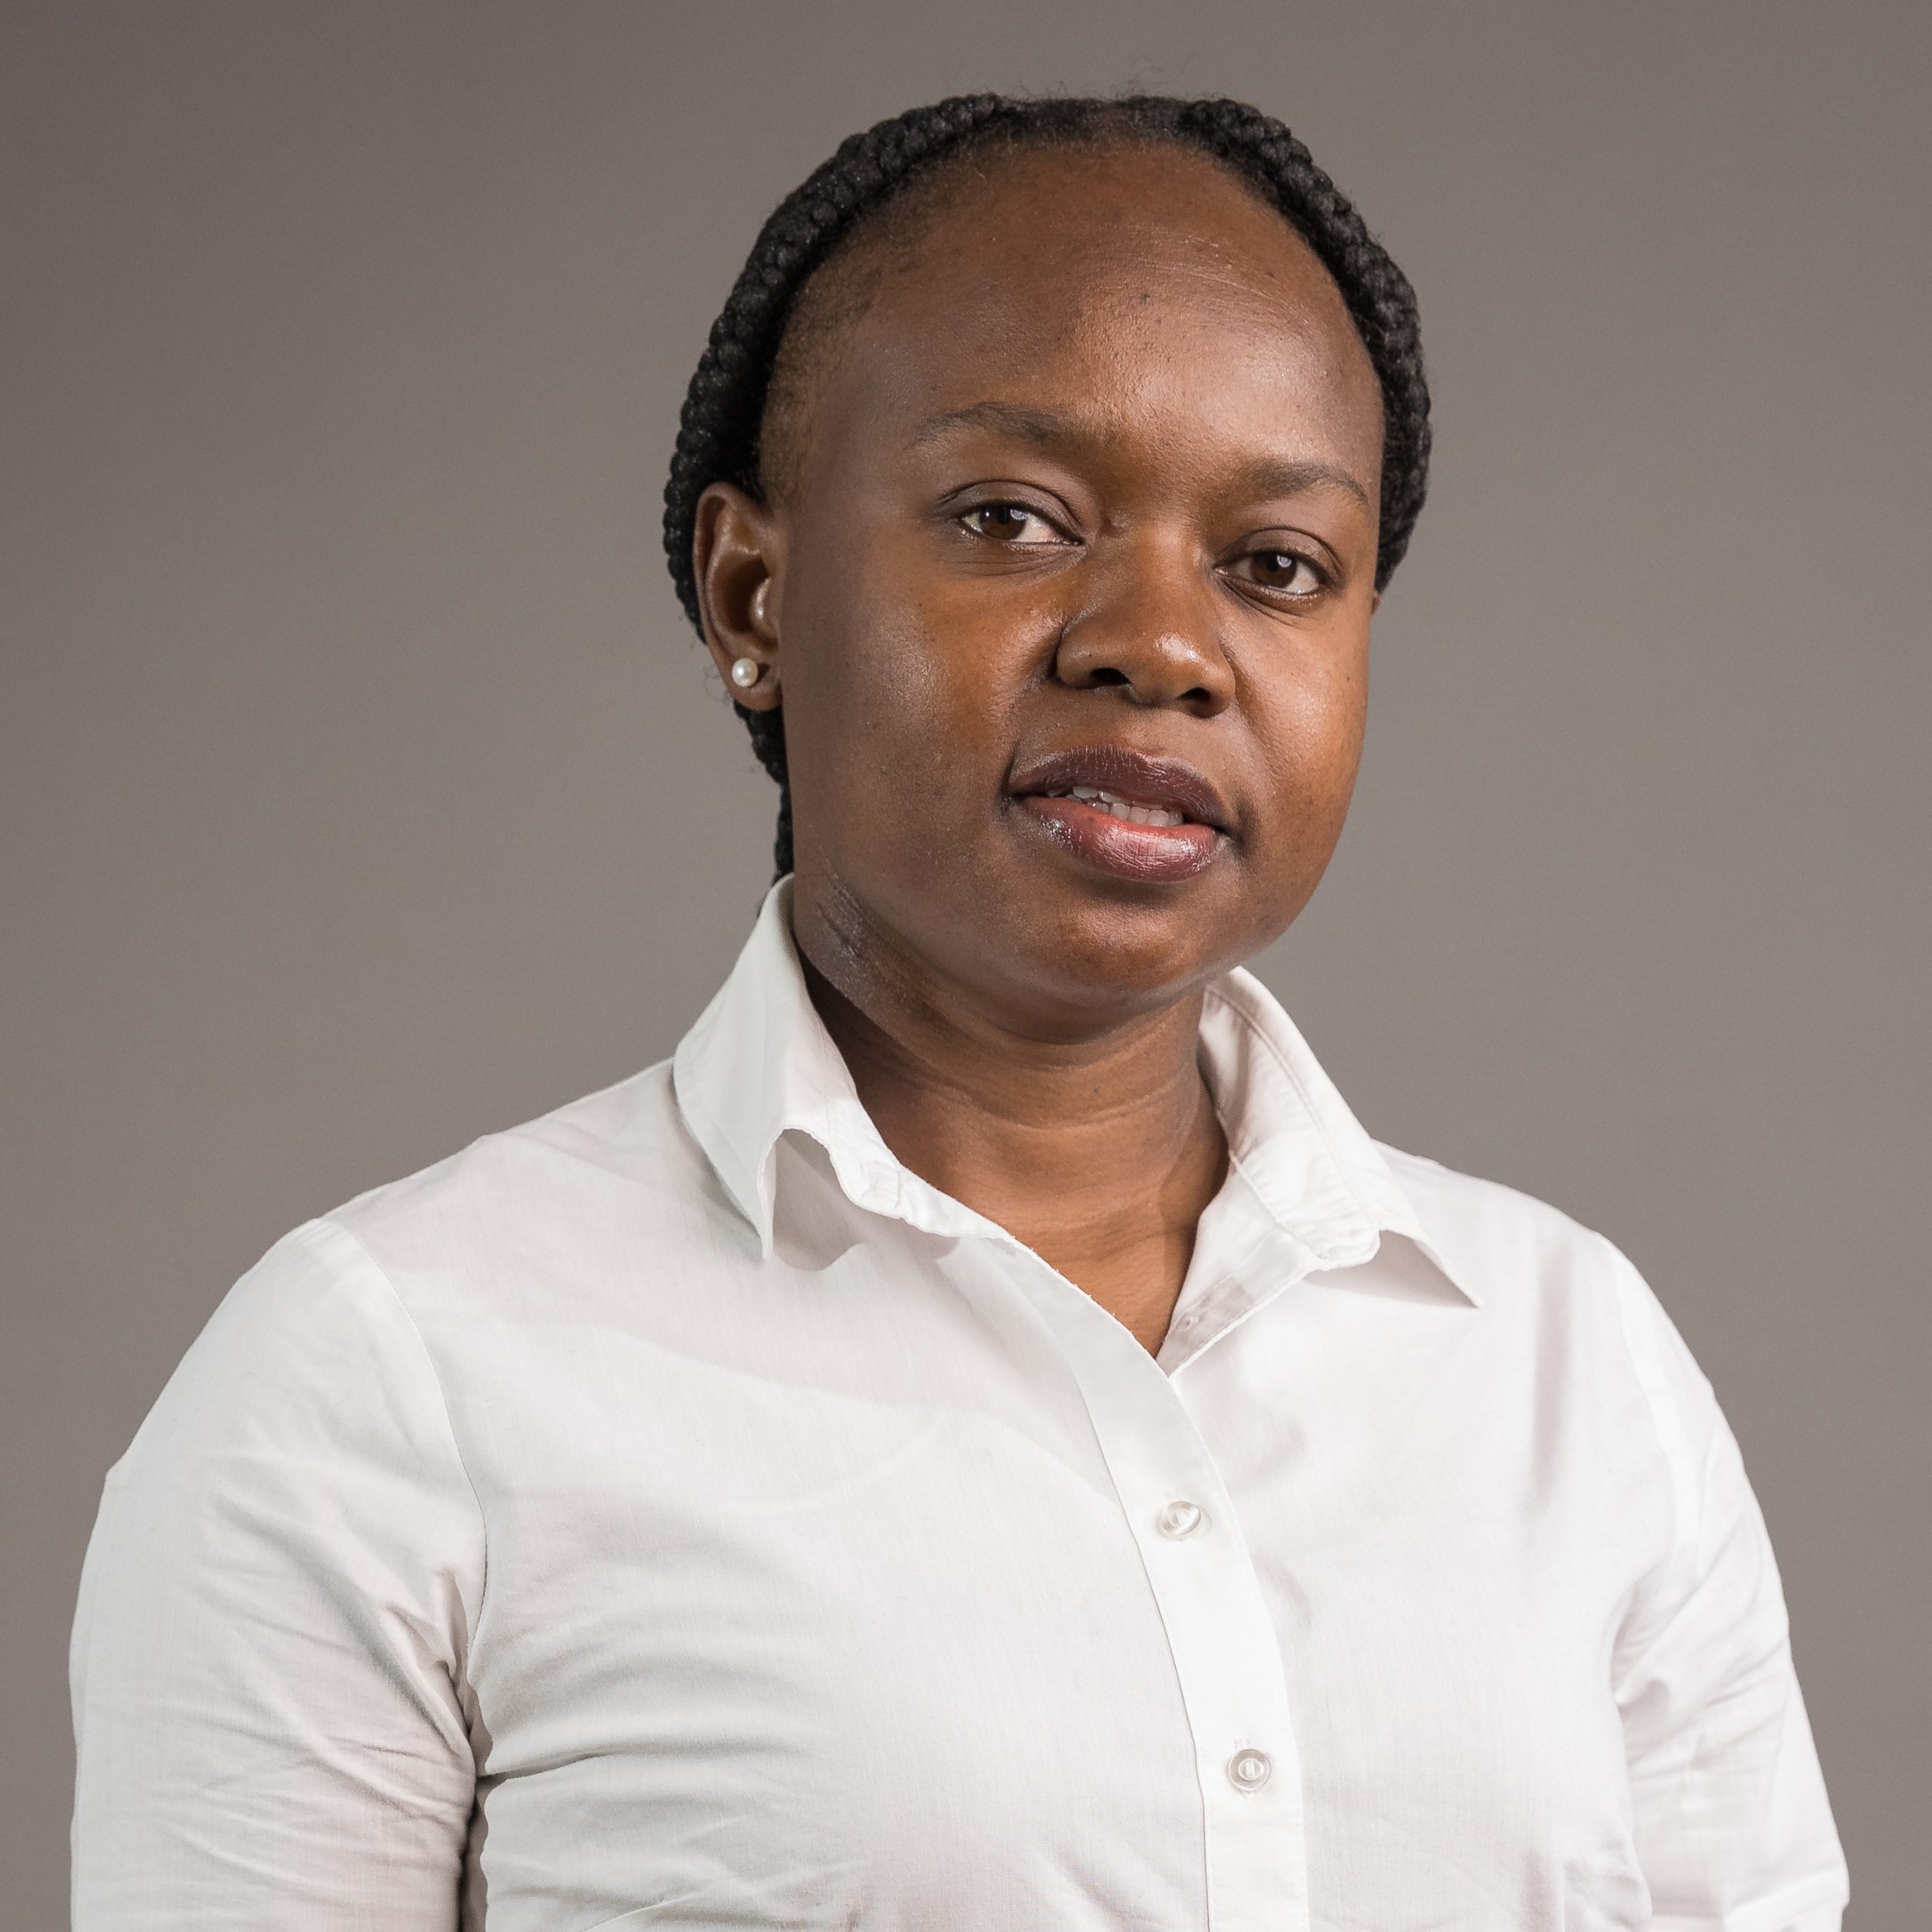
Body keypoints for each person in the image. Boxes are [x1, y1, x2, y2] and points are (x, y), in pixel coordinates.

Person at [69, 94, 1848, 1930]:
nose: (1158, 642)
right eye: (1011, 517)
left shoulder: (1564, 1359)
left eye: (1274, 564)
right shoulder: (384, 1383)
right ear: (753, 593)